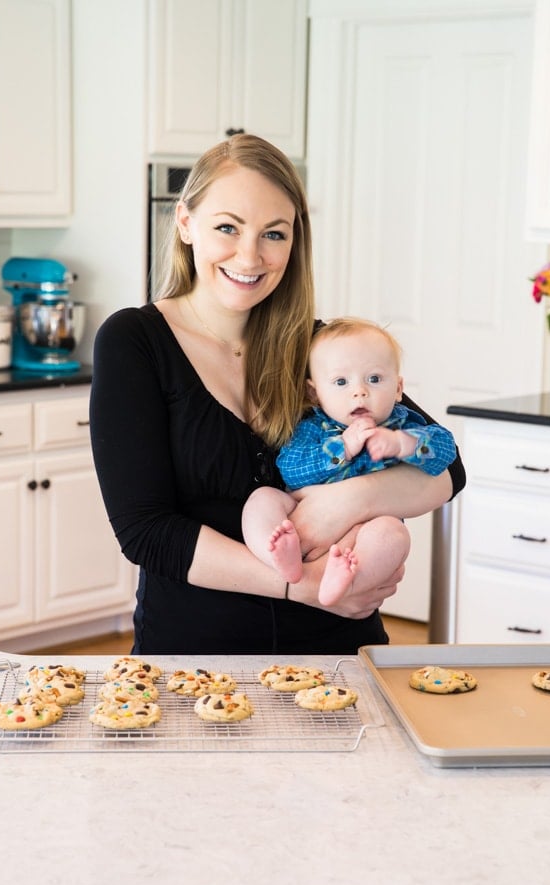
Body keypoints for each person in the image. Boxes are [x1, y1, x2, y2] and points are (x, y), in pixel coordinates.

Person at [89, 133, 465, 656]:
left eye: (274, 233)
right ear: (185, 222)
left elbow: (448, 471)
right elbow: (146, 532)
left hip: (343, 654)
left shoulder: (320, 348)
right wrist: (306, 589)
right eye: (228, 227)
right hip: (196, 659)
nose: (251, 255)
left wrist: (347, 502)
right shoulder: (136, 341)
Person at [241, 317, 458, 606]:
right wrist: (342, 447)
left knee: (394, 537)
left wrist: (404, 444)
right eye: (341, 382)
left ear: (398, 389)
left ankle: (347, 582)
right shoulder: (314, 429)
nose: (360, 391)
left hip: (368, 532)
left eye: (375, 379)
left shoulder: (402, 425)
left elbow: (447, 451)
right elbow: (291, 468)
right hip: (300, 514)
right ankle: (280, 556)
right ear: (314, 393)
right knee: (262, 500)